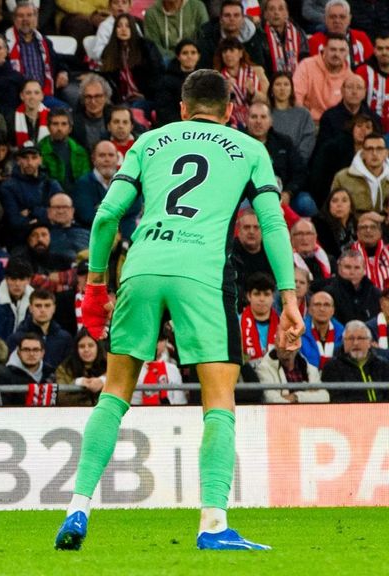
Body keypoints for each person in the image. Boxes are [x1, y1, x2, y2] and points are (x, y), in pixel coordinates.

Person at [56, 69, 303, 552]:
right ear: (229, 112)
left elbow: (106, 216)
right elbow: (272, 224)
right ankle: (213, 524)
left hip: (142, 266)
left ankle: (77, 507)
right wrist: (289, 298)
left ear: (183, 110)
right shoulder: (250, 148)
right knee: (218, 401)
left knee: (114, 393)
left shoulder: (149, 141)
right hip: (202, 273)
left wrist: (96, 284)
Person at [245, 102, 310, 216]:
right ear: (246, 120)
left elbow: (300, 172)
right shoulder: (238, 143)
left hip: (283, 193)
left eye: (263, 117)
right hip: (249, 195)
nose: (258, 121)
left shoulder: (284, 142)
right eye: (254, 117)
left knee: (306, 202)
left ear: (271, 121)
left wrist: (289, 193)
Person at [73, 141, 139, 240]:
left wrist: (101, 209)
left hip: (128, 237)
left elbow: (134, 208)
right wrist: (119, 209)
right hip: (94, 239)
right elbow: (87, 216)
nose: (107, 159)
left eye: (111, 155)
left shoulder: (129, 181)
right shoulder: (82, 184)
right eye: (102, 155)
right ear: (93, 159)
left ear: (118, 158)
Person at [4, 1, 68, 99]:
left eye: (29, 15)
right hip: (16, 97)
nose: (25, 19)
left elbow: (58, 61)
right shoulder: (3, 43)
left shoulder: (45, 42)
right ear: (14, 19)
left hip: (44, 96)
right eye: (21, 16)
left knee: (64, 108)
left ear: (36, 18)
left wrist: (63, 71)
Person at [99, 13, 163, 108]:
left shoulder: (146, 47)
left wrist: (145, 95)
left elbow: (157, 75)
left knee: (135, 107)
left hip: (147, 97)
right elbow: (107, 78)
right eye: (119, 26)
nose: (123, 29)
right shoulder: (109, 51)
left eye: (128, 26)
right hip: (121, 100)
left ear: (133, 28)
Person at [321, 319, 389, 402]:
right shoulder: (332, 367)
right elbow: (337, 399)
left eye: (360, 338)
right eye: (350, 338)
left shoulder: (382, 365)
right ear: (344, 342)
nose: (355, 343)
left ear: (369, 342)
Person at [293, 33, 352, 122]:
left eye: (342, 50)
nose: (337, 54)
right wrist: (303, 122)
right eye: (333, 49)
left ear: (347, 53)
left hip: (338, 124)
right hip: (310, 122)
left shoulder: (350, 76)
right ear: (324, 50)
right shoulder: (306, 65)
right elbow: (296, 96)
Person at [8, 288, 73, 368]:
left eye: (47, 306)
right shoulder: (16, 339)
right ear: (30, 308)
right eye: (38, 306)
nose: (43, 310)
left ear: (54, 308)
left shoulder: (65, 339)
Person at [0, 333, 55, 406]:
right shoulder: (3, 375)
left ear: (42, 353)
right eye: (26, 349)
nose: (31, 354)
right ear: (19, 352)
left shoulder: (50, 373)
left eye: (36, 350)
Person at [331, 133, 389, 215]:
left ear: (386, 153)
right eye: (369, 149)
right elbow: (334, 211)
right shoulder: (342, 178)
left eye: (379, 149)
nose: (374, 153)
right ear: (363, 153)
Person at [267, 71, 317, 162]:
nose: (282, 88)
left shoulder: (303, 114)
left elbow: (308, 139)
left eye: (286, 84)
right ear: (271, 89)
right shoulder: (265, 114)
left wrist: (297, 162)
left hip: (297, 164)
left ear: (292, 89)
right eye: (278, 84)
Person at [307, 0, 372, 69]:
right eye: (333, 17)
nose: (337, 21)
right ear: (325, 19)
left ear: (349, 19)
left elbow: (372, 67)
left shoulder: (361, 38)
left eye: (342, 17)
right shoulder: (314, 41)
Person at [39, 108, 91, 192]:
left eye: (64, 124)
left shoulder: (80, 152)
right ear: (48, 127)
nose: (59, 128)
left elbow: (85, 180)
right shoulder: (39, 151)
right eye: (55, 124)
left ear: (70, 128)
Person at [0, 258, 34, 341]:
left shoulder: (35, 300)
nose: (17, 284)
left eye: (21, 279)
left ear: (28, 280)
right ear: (6, 279)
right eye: (13, 279)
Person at [54, 328, 106, 406]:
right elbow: (59, 397)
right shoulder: (64, 368)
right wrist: (76, 383)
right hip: (74, 411)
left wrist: (103, 381)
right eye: (82, 346)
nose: (86, 350)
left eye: (91, 345)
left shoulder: (109, 366)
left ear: (98, 347)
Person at [143, 0, 209, 60]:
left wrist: (190, 56)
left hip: (194, 58)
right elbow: (154, 45)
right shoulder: (152, 13)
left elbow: (205, 38)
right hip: (166, 61)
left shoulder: (197, 7)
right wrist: (178, 58)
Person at [257, 0, 308, 77]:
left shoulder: (298, 33)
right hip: (270, 80)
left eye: (280, 9)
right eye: (272, 9)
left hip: (297, 79)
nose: (276, 13)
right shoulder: (260, 35)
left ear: (287, 14)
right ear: (265, 15)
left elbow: (304, 60)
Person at [299, 291, 343, 370]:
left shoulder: (343, 335)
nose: (322, 309)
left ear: (333, 311)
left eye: (326, 305)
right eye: (317, 304)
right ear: (310, 310)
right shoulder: (299, 333)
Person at [313, 189, 358, 264]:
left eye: (344, 200)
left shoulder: (356, 225)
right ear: (328, 206)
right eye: (334, 201)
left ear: (350, 207)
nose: (339, 205)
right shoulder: (321, 226)